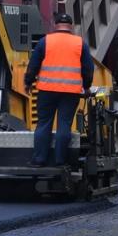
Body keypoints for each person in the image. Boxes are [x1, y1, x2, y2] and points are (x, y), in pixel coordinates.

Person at [24, 14, 93, 168]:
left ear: (55, 25)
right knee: (64, 124)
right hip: (71, 92)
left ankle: (39, 160)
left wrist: (28, 83)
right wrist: (87, 87)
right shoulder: (80, 43)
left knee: (43, 124)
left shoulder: (45, 41)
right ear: (71, 26)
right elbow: (88, 69)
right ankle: (60, 161)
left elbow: (33, 65)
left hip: (47, 90)